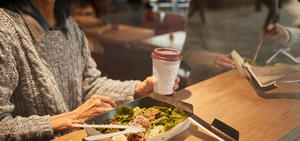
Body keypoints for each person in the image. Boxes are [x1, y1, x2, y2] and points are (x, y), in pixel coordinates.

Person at [0, 0, 179, 140]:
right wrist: (61, 120)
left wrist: (137, 90)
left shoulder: (70, 26)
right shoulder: (5, 31)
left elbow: (90, 84)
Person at [182, 0, 300, 84]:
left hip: (265, 86)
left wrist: (289, 35)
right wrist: (213, 61)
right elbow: (189, 51)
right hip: (209, 84)